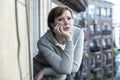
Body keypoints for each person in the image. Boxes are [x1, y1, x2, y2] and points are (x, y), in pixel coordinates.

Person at [33, 6, 84, 80]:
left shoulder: (78, 33)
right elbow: (66, 69)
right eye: (60, 19)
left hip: (55, 74)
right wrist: (68, 39)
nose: (66, 22)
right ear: (52, 25)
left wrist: (45, 71)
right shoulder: (43, 43)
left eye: (69, 18)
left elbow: (74, 67)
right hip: (38, 73)